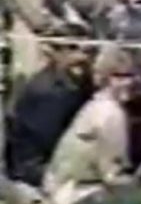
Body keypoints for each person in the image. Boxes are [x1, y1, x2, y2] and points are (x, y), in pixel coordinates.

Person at [44, 45, 141, 189]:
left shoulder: (94, 105)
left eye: (129, 76)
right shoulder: (111, 113)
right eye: (118, 77)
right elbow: (112, 176)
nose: (127, 82)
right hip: (76, 196)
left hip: (60, 189)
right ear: (105, 78)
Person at [5, 27, 93, 185]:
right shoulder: (47, 92)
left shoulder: (75, 81)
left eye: (87, 51)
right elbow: (51, 142)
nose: (82, 56)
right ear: (53, 53)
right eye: (72, 49)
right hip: (35, 170)